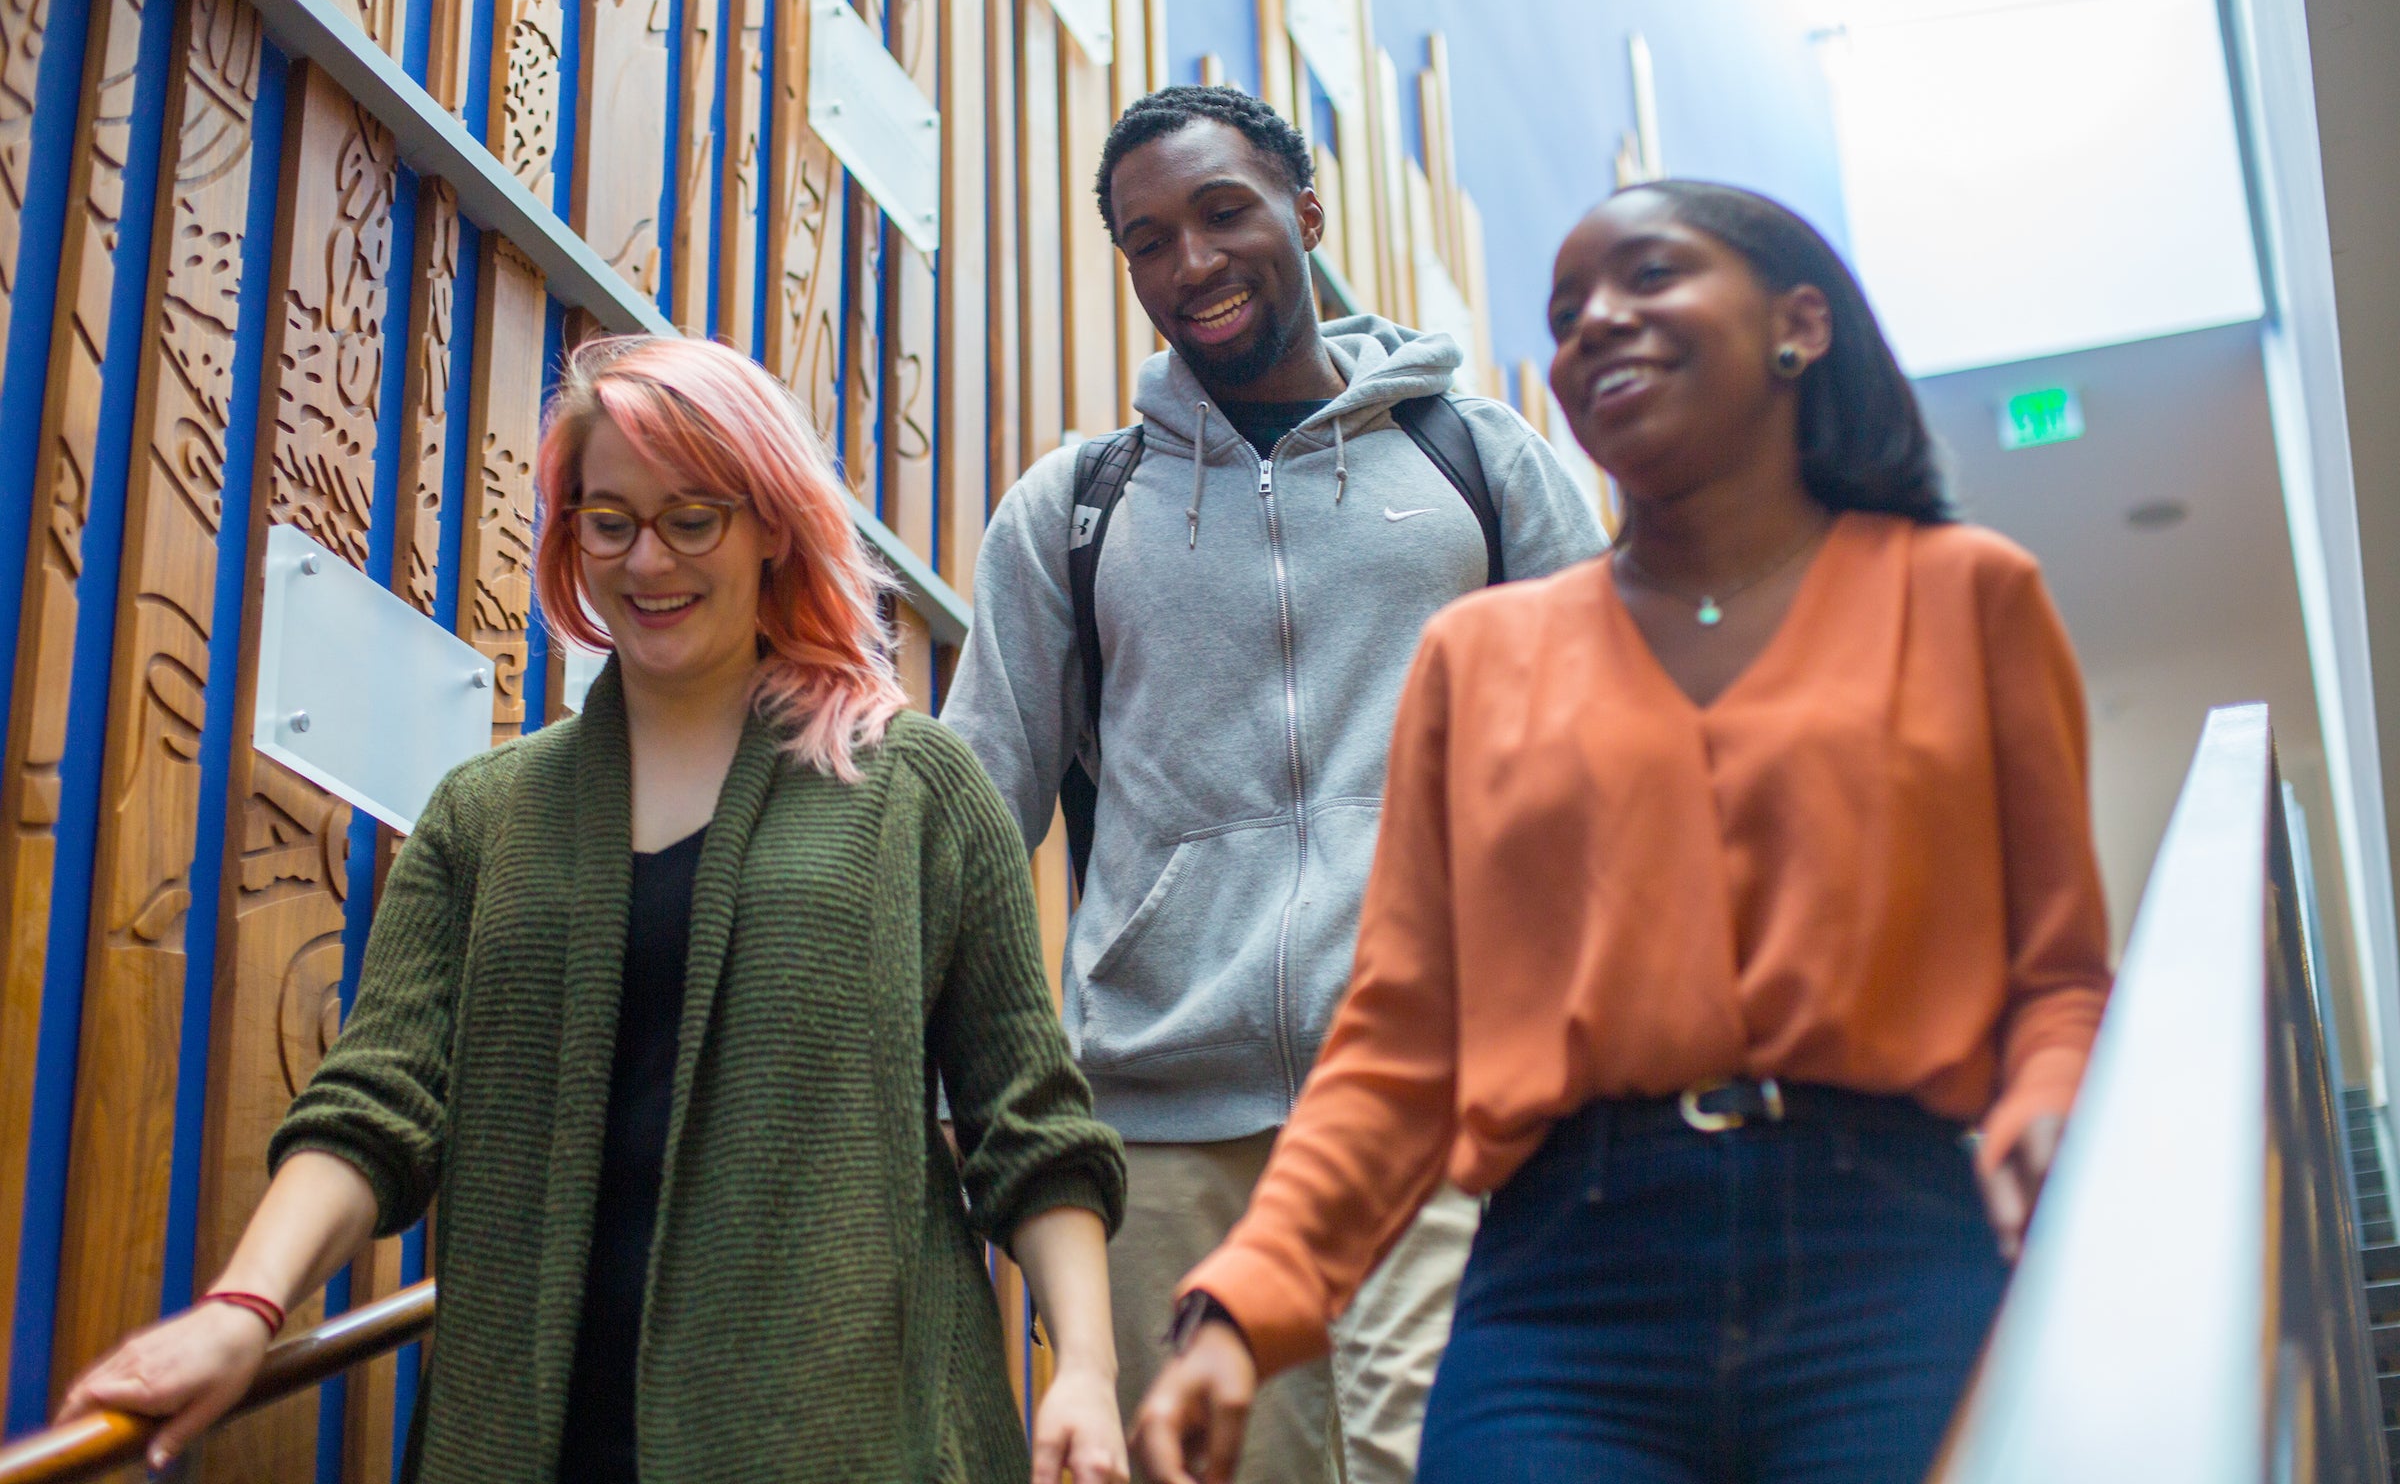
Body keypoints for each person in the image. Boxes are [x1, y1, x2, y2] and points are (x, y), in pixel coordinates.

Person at [1135, 180, 2117, 1484]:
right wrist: (1239, 1310)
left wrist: (2049, 1107)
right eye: (1565, 310)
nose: (1595, 321)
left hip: (1894, 1254)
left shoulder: (1965, 598)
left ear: (1800, 325)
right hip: (1566, 1292)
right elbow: (1401, 1044)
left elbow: (2056, 977)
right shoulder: (1481, 655)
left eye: (1648, 277)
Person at [58, 336, 1130, 1484]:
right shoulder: (483, 816)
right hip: (530, 1441)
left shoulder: (913, 790)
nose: (647, 559)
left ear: (773, 522)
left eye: (692, 517)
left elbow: (1029, 1124)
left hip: (843, 1434)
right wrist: (242, 1305)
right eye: (608, 521)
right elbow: (376, 1106)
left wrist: (1087, 1371)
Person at [940, 84, 1603, 1484]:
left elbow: (1617, 755)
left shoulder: (1474, 460)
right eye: (1147, 240)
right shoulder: (1077, 509)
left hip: (1438, 1095)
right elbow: (972, 826)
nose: (1191, 261)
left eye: (1224, 212)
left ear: (1306, 212)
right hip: (1157, 1123)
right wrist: (959, 1083)